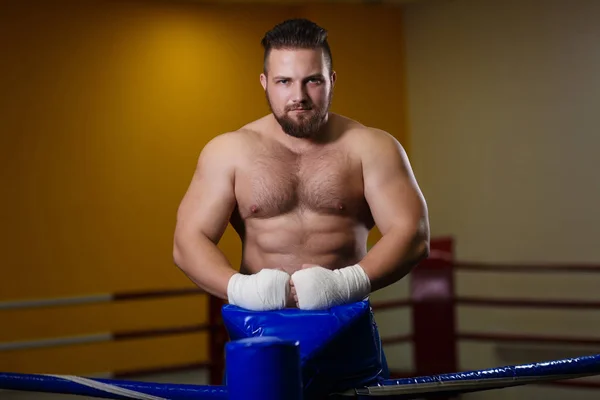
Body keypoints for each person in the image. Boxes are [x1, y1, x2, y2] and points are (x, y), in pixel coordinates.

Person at [173, 18, 430, 312]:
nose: (299, 96)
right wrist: (240, 288)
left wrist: (343, 285)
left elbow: (412, 234)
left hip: (344, 325)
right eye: (284, 81)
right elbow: (188, 240)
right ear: (264, 83)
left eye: (313, 80)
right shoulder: (229, 152)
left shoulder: (371, 148)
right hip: (261, 328)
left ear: (331, 80)